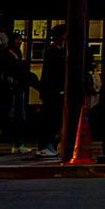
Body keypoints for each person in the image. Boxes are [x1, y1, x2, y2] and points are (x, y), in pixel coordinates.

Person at [38, 23, 69, 157]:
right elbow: (54, 73)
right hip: (54, 91)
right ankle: (47, 144)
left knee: (52, 118)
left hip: (52, 90)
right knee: (52, 118)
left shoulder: (54, 51)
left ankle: (47, 144)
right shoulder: (54, 52)